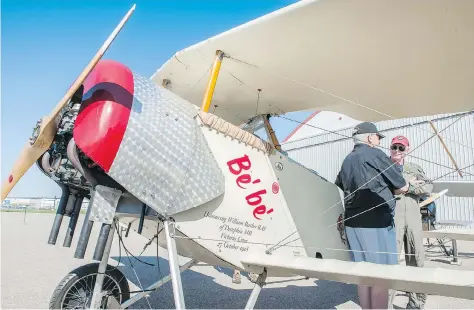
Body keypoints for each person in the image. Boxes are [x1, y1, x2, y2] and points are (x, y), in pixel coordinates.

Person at [335, 122, 409, 309]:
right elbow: (401, 185)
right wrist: (406, 185)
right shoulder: (375, 154)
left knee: (363, 275)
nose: (378, 140)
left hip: (352, 222)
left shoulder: (347, 159)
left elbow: (340, 184)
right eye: (377, 137)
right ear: (369, 137)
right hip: (376, 222)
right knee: (380, 276)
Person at [390, 135, 433, 309]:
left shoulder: (414, 168)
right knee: (389, 259)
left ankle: (416, 303)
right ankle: (383, 303)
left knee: (416, 257)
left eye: (401, 148)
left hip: (413, 216)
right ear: (390, 148)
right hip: (392, 216)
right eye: (395, 147)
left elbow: (428, 187)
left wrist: (408, 187)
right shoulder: (384, 166)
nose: (397, 151)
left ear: (407, 150)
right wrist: (396, 189)